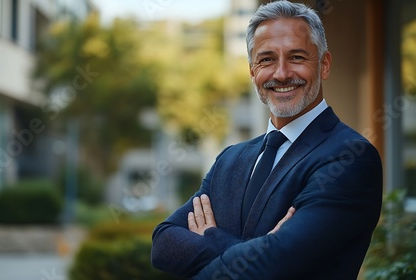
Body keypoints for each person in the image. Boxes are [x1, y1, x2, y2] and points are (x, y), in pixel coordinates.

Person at [151, 1, 383, 279]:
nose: (281, 73)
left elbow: (273, 266)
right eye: (267, 59)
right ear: (252, 71)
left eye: (297, 57)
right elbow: (163, 245)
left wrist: (211, 237)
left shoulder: (351, 156)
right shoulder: (230, 160)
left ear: (324, 65)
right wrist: (261, 251)